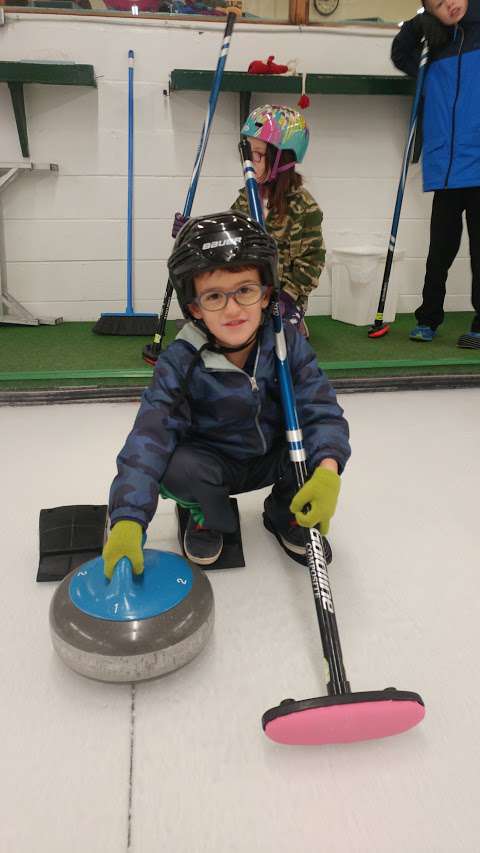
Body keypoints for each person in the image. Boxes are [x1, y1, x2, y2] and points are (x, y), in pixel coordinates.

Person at [102, 211, 350, 578]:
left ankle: (286, 511)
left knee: (320, 446)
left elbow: (321, 410)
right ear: (194, 308)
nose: (233, 309)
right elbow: (149, 434)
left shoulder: (287, 345)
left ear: (267, 295)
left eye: (245, 290)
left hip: (274, 455)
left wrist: (328, 471)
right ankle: (205, 517)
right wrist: (127, 518)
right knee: (176, 467)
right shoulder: (181, 360)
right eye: (215, 296)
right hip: (212, 463)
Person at [391, 0, 480, 348]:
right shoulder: (433, 45)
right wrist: (417, 25)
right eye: (438, 3)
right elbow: (400, 55)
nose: (450, 5)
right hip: (446, 167)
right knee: (439, 250)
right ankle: (428, 318)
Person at [231, 105, 325, 337]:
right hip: (249, 293)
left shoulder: (304, 206)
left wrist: (289, 296)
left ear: (282, 159)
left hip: (285, 298)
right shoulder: (246, 198)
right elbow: (230, 237)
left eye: (258, 155)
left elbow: (313, 261)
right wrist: (194, 232)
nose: (249, 162)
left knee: (278, 341)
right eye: (247, 153)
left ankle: (296, 320)